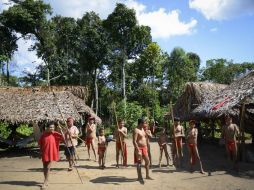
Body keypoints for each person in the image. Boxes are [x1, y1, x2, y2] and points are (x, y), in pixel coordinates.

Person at [38, 122, 64, 189]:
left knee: (48, 167)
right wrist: (40, 152)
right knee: (44, 167)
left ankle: (45, 181)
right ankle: (46, 180)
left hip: (51, 153)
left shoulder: (55, 134)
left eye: (53, 127)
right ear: (47, 128)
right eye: (50, 127)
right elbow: (40, 143)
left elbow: (63, 138)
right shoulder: (43, 135)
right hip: (44, 153)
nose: (52, 128)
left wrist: (61, 131)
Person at [133, 118, 153, 183]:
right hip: (139, 148)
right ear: (140, 123)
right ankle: (139, 177)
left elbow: (146, 137)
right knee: (139, 163)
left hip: (144, 147)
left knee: (147, 161)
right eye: (144, 123)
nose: (145, 124)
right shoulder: (136, 130)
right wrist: (138, 150)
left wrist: (149, 135)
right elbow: (134, 141)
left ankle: (147, 175)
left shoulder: (143, 129)